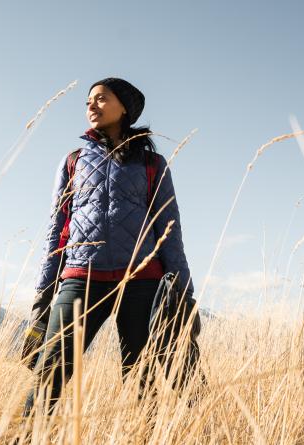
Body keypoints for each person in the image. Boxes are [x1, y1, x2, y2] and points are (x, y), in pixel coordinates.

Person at [21, 77, 196, 417]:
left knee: (140, 378)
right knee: (49, 374)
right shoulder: (73, 161)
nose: (91, 106)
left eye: (101, 98)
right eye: (89, 101)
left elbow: (170, 231)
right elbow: (57, 229)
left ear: (125, 108)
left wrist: (184, 293)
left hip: (143, 280)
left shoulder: (152, 165)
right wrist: (44, 292)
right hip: (81, 276)